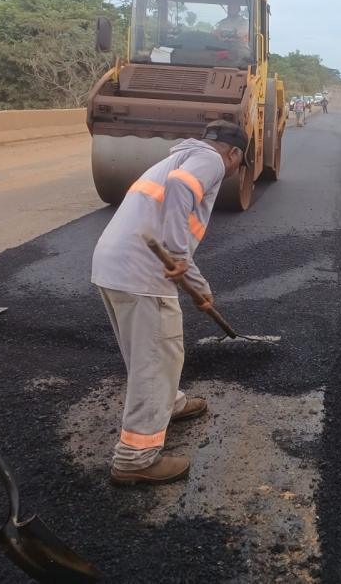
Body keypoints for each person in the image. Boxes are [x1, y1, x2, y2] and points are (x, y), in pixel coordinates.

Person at [91, 120, 248, 486]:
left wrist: (191, 278)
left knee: (145, 352)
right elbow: (181, 193)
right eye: (239, 166)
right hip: (143, 274)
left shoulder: (175, 160)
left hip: (113, 265)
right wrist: (188, 269)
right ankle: (134, 459)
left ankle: (170, 402)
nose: (233, 173)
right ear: (234, 153)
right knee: (157, 357)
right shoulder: (209, 159)